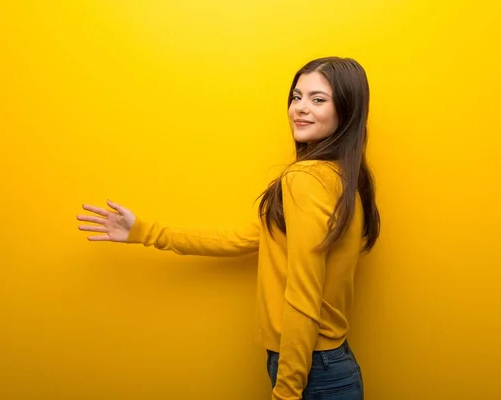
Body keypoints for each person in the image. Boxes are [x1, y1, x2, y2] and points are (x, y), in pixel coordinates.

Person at [77, 56, 380, 400]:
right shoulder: (341, 177)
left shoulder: (305, 180)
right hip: (331, 366)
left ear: (347, 110)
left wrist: (287, 391)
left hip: (312, 372)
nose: (300, 108)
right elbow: (240, 239)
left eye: (318, 99)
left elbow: (303, 295)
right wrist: (146, 231)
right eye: (296, 97)